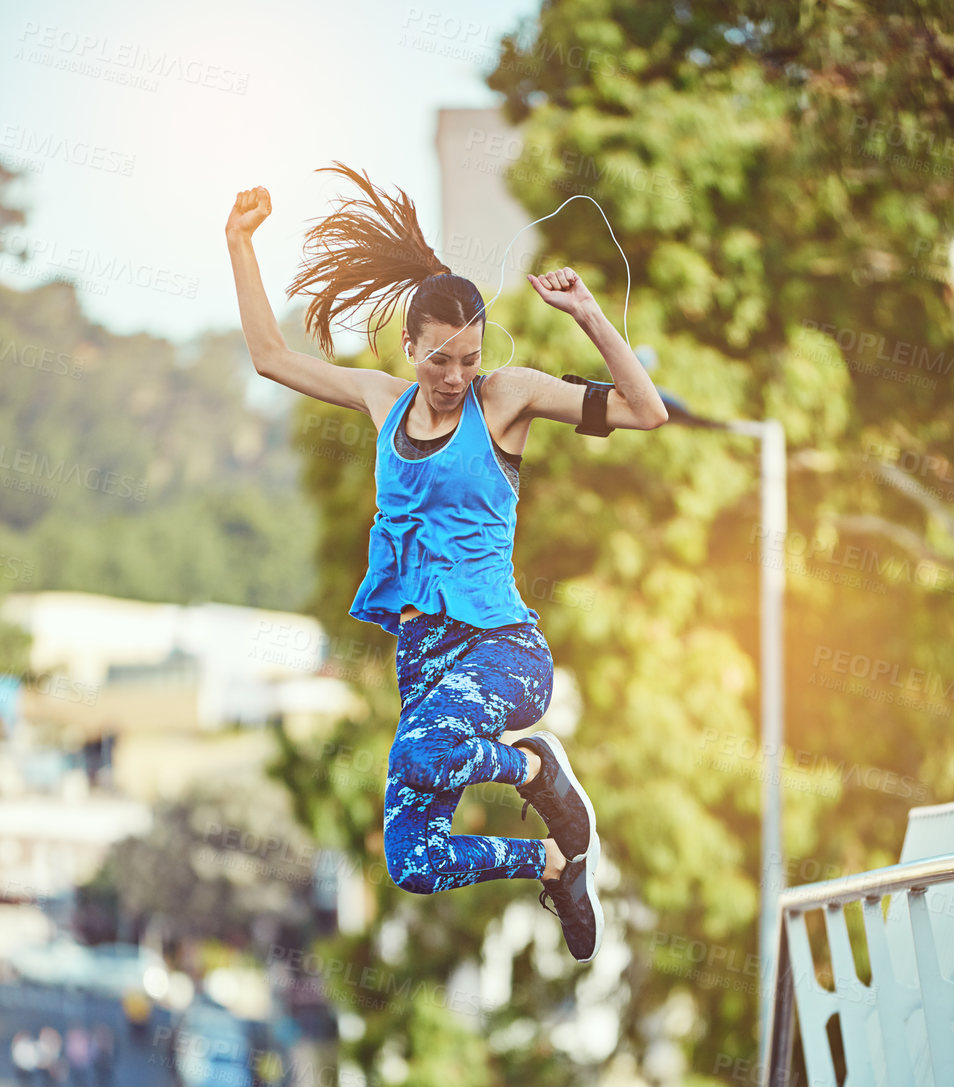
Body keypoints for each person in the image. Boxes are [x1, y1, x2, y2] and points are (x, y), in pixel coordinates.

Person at [225, 166, 668, 963]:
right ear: (409, 346)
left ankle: (536, 768)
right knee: (412, 863)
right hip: (424, 665)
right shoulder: (378, 398)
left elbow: (646, 411)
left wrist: (590, 316)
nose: (455, 378)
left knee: (418, 754)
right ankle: (553, 860)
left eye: (468, 358)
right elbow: (268, 356)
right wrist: (239, 241)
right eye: (439, 361)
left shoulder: (508, 399)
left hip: (503, 653)